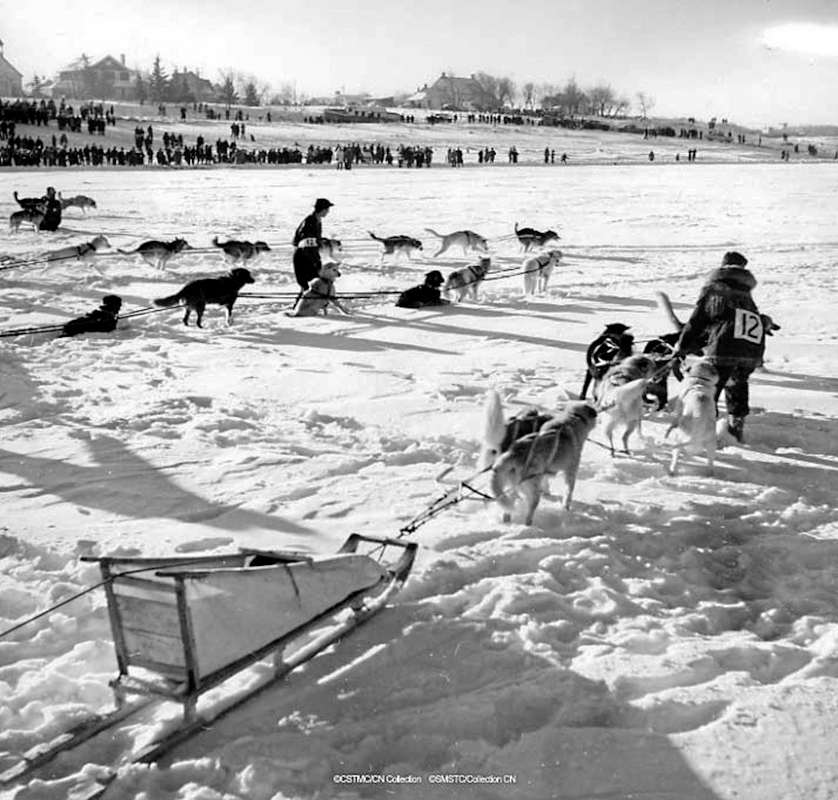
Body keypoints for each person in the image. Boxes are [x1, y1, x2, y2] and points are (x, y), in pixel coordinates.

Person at [673, 251, 767, 442]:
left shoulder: (715, 288)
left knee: (709, 391)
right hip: (751, 349)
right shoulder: (746, 294)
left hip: (724, 347)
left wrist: (682, 346)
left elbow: (699, 319)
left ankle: (702, 434)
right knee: (737, 386)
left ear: (722, 267)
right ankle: (735, 430)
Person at [292, 198, 333, 299]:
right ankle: (302, 309)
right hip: (304, 257)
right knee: (309, 285)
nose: (328, 212)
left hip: (307, 255)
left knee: (310, 285)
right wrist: (315, 260)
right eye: (327, 209)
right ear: (323, 209)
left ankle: (302, 308)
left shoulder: (316, 221)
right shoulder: (310, 222)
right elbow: (307, 243)